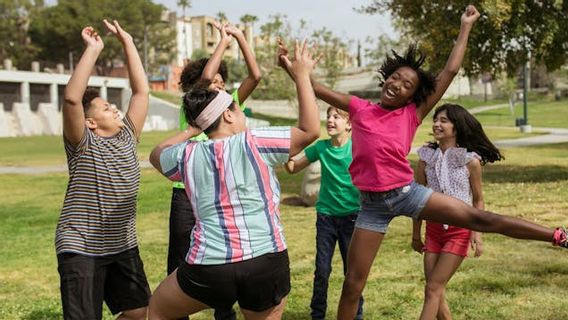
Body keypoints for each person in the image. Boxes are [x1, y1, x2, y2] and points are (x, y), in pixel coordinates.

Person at [278, 6, 568, 320]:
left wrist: (465, 26)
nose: (397, 84)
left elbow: (450, 71)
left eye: (406, 85)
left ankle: (557, 236)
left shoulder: (411, 115)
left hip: (407, 193)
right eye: (395, 77)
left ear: (412, 96)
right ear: (385, 79)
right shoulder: (360, 108)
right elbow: (314, 88)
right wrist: (295, 71)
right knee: (353, 286)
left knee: (480, 219)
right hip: (371, 207)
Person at [148, 40, 321, 320]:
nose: (242, 115)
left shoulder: (187, 155)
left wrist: (193, 130)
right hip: (265, 260)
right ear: (228, 114)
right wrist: (301, 75)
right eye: (237, 109)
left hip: (208, 267)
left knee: (158, 309)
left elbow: (157, 154)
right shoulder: (255, 142)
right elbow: (310, 130)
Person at [55, 20, 150, 320]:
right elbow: (72, 98)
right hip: (81, 245)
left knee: (139, 312)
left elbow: (141, 92)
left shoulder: (127, 137)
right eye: (106, 108)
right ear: (90, 123)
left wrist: (128, 42)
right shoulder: (82, 142)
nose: (115, 109)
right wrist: (93, 50)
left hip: (122, 244)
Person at [167, 21, 260, 320]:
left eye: (222, 81)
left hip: (222, 192)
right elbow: (207, 77)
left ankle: (225, 314)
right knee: (179, 261)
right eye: (214, 81)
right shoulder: (193, 106)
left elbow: (255, 75)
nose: (218, 84)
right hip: (186, 194)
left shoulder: (232, 106)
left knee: (225, 255)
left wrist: (241, 39)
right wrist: (222, 40)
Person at [411, 104, 501, 319]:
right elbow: (417, 199)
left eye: (443, 120)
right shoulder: (425, 158)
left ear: (456, 127)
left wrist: (476, 234)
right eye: (435, 120)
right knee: (435, 290)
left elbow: (478, 200)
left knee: (433, 288)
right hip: (433, 229)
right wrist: (415, 234)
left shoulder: (470, 161)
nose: (436, 124)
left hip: (459, 229)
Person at [285, 106, 364, 320]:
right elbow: (293, 168)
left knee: (353, 273)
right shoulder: (321, 148)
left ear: (349, 124)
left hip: (353, 218)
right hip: (326, 218)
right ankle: (317, 315)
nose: (330, 120)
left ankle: (357, 314)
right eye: (328, 116)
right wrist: (284, 149)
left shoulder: (358, 148)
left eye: (336, 117)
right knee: (322, 271)